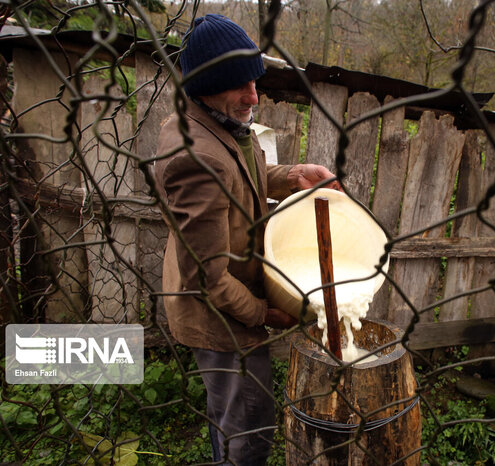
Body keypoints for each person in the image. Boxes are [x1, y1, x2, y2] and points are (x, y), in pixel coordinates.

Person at [153, 14, 340, 465]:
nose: (253, 96)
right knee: (251, 426)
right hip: (218, 314)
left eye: (255, 81)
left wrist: (294, 176)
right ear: (204, 85)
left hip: (232, 290)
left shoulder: (221, 123)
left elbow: (247, 179)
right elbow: (209, 279)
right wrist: (263, 314)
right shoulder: (194, 155)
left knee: (231, 414)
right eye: (239, 85)